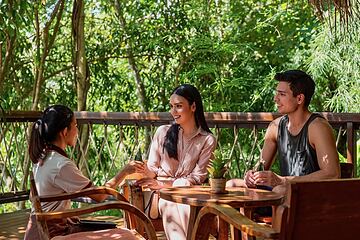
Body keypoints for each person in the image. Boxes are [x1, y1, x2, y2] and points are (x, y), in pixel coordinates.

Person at [24, 105, 145, 240]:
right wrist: (124, 172)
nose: (77, 130)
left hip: (39, 230)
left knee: (109, 228)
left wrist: (64, 214)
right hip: (50, 235)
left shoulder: (43, 156)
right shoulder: (61, 165)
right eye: (75, 125)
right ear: (64, 132)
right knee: (126, 235)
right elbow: (99, 196)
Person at [227, 70, 340, 192]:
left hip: (312, 196)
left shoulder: (317, 127)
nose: (276, 99)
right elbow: (261, 167)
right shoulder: (275, 127)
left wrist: (282, 181)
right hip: (285, 190)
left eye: (282, 94)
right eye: (277, 94)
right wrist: (252, 175)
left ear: (299, 98)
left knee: (279, 190)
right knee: (231, 184)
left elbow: (332, 174)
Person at [136, 84, 217, 240]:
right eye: (172, 106)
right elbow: (152, 169)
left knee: (182, 204)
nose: (173, 112)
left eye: (178, 106)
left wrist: (167, 185)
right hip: (159, 196)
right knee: (171, 203)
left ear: (193, 106)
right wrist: (138, 170)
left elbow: (197, 178)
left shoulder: (207, 140)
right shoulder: (163, 133)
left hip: (188, 196)